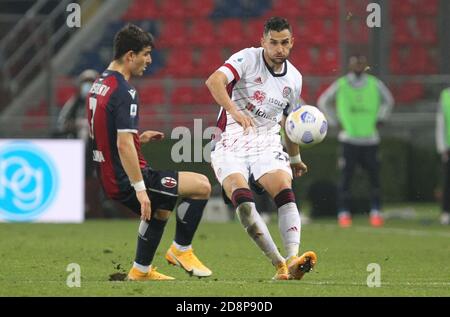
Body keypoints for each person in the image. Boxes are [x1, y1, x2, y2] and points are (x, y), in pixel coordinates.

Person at [87, 24, 212, 280]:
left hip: (108, 174)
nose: (149, 60)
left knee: (162, 206)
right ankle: (181, 249)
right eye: (145, 53)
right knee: (202, 186)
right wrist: (139, 188)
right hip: (125, 176)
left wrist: (137, 139)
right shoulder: (125, 91)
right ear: (130, 55)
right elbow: (121, 145)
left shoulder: (99, 84)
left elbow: (105, 136)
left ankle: (141, 270)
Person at [205, 17, 317, 281]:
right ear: (263, 41)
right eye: (274, 42)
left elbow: (289, 122)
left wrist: (295, 157)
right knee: (243, 202)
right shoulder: (246, 58)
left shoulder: (294, 79)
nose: (279, 49)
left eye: (285, 43)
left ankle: (292, 258)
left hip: (266, 142)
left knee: (284, 189)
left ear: (292, 43)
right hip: (229, 140)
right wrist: (234, 111)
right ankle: (278, 263)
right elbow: (213, 82)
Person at [318, 54, 394, 228]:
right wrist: (335, 120)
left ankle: (376, 212)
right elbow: (324, 101)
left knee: (374, 178)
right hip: (349, 139)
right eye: (355, 63)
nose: (358, 66)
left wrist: (381, 117)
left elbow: (389, 101)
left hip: (370, 139)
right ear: (350, 66)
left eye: (361, 63)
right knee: (346, 178)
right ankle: (343, 213)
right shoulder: (342, 84)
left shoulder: (375, 84)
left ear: (365, 65)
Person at [435, 86, 450, 225]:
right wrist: (442, 147)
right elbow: (441, 122)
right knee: (447, 182)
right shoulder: (445, 95)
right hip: (449, 147)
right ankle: (446, 212)